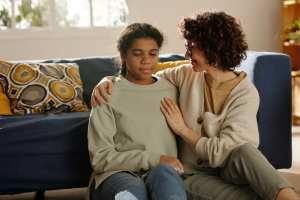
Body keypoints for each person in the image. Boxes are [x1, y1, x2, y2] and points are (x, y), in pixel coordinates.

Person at [91, 12, 300, 200]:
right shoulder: (186, 74)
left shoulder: (245, 93)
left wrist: (183, 130)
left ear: (213, 50)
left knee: (245, 150)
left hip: (231, 167)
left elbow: (225, 152)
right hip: (192, 174)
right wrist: (107, 81)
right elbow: (142, 78)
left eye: (192, 48)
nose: (186, 54)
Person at [87, 23, 187, 200]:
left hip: (162, 171)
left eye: (153, 53)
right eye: (137, 53)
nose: (146, 60)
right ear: (124, 55)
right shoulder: (106, 93)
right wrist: (155, 158)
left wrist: (160, 163)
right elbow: (100, 158)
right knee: (131, 195)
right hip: (117, 173)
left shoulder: (172, 89)